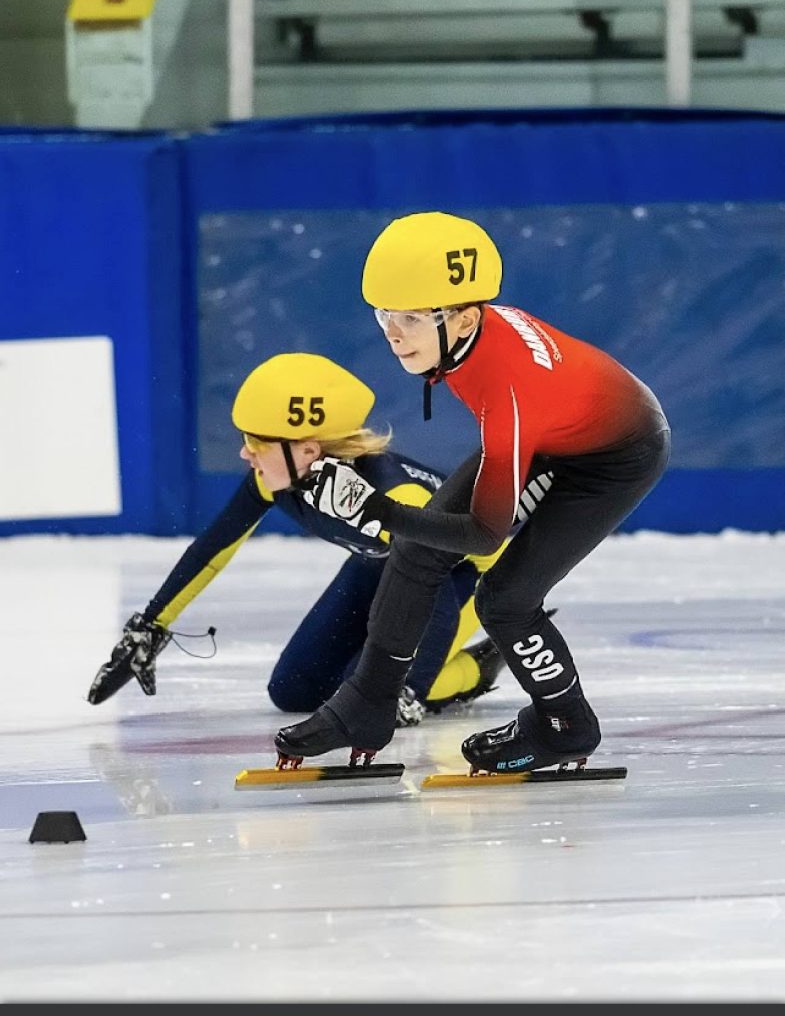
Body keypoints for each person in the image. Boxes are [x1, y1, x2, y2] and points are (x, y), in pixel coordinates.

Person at [275, 211, 671, 773]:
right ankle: (368, 703)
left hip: (613, 459)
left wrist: (377, 508)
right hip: (560, 428)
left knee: (505, 599)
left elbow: (484, 535)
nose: (392, 332)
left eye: (410, 317)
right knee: (416, 549)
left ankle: (566, 726)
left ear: (462, 321)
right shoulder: (468, 332)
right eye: (383, 314)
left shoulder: (509, 392)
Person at [86, 351, 511, 726]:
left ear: (307, 450)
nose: (244, 453)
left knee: (362, 693)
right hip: (383, 565)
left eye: (255, 442)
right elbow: (212, 550)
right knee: (294, 690)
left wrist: (409, 688)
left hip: (473, 577)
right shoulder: (277, 478)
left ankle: (475, 669)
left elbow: (442, 585)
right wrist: (151, 626)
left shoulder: (395, 496)